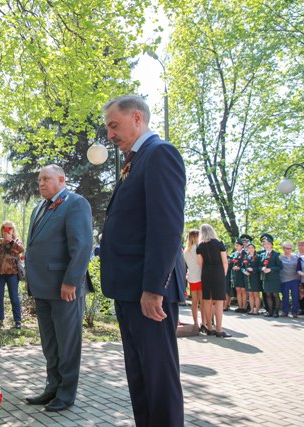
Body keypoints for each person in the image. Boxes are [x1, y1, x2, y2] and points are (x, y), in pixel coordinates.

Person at [99, 95, 186, 427]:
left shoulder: (159, 153)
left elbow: (166, 226)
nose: (110, 135)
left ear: (137, 118)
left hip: (148, 292)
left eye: (114, 126)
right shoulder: (134, 161)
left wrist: (153, 288)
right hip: (129, 289)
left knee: (159, 380)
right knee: (140, 378)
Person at [24, 164, 93, 412]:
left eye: (46, 178)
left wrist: (71, 281)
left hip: (65, 288)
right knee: (50, 344)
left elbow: (82, 246)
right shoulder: (39, 208)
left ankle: (66, 394)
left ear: (62, 180)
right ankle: (52, 387)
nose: (41, 183)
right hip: (42, 287)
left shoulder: (75, 203)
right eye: (39, 180)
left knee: (67, 344)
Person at [0, 220, 24, 329]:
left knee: (14, 297)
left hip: (12, 273)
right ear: (2, 230)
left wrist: (11, 241)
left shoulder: (16, 241)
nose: (7, 230)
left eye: (9, 228)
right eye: (5, 228)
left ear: (13, 230)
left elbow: (20, 250)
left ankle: (17, 321)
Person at [197, 224, 231, 337]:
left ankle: (209, 328)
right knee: (219, 301)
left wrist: (206, 271)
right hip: (218, 272)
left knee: (207, 300)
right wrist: (223, 274)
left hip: (206, 273)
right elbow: (225, 262)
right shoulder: (219, 244)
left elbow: (200, 264)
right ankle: (219, 329)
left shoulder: (200, 246)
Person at [183, 230, 203, 333]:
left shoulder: (186, 250)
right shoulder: (198, 248)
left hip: (192, 277)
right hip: (200, 276)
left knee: (194, 301)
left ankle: (195, 322)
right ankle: (204, 322)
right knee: (202, 301)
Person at [259, 234, 282, 318]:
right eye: (265, 244)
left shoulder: (276, 254)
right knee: (268, 294)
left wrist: (271, 269)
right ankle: (270, 311)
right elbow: (259, 265)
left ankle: (276, 312)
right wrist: (262, 268)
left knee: (275, 295)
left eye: (268, 244)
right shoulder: (262, 255)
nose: (266, 245)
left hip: (274, 278)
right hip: (266, 278)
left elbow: (280, 266)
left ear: (272, 245)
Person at [279, 242, 300, 318]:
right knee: (285, 296)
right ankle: (285, 311)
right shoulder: (280, 257)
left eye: (290, 248)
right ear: (283, 249)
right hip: (284, 279)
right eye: (287, 248)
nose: (288, 250)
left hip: (295, 279)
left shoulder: (296, 257)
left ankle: (295, 312)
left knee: (295, 296)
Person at [242, 243, 262, 315]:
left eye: (252, 248)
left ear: (254, 249)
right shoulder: (245, 257)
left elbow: (260, 267)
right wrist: (244, 271)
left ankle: (257, 310)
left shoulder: (258, 257)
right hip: (247, 277)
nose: (250, 249)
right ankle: (251, 309)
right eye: (249, 248)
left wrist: (253, 269)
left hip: (255, 277)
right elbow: (242, 267)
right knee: (250, 294)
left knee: (256, 294)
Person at [230, 239, 248, 313]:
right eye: (236, 245)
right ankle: (240, 306)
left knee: (243, 291)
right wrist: (233, 267)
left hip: (242, 274)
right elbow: (231, 263)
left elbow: (246, 263)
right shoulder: (234, 254)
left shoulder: (245, 254)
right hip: (236, 274)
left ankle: (244, 307)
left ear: (242, 246)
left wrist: (240, 267)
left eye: (238, 245)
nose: (236, 246)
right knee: (238, 290)